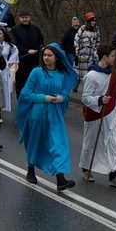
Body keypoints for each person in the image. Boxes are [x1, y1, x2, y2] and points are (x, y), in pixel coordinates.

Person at [15, 43, 78, 190]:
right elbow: (25, 93)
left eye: (49, 55)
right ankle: (31, 170)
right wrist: (44, 98)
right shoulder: (36, 72)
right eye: (44, 55)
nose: (46, 58)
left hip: (55, 114)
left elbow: (65, 94)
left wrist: (60, 99)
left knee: (59, 143)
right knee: (35, 141)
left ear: (57, 57)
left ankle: (60, 178)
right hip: (37, 113)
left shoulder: (62, 75)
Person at [79, 43, 116, 188]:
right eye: (113, 56)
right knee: (91, 143)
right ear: (105, 57)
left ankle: (114, 175)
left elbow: (115, 97)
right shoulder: (91, 76)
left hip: (110, 113)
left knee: (112, 143)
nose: (115, 59)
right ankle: (86, 168)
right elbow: (85, 98)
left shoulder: (113, 74)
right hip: (95, 114)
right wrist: (100, 100)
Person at [11, 10, 44, 97]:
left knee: (34, 82)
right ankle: (21, 100)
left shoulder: (36, 29)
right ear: (19, 19)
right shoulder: (14, 30)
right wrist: (27, 51)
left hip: (34, 61)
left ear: (29, 17)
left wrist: (39, 48)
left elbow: (41, 41)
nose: (25, 19)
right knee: (22, 83)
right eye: (22, 18)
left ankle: (33, 100)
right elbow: (14, 45)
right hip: (21, 61)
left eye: (26, 17)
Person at [74, 12, 101, 89]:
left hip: (92, 55)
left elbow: (98, 41)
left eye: (94, 21)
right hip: (82, 54)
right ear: (88, 22)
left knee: (90, 74)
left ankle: (88, 90)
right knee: (79, 73)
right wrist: (77, 52)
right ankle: (75, 87)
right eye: (92, 21)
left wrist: (96, 50)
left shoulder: (96, 29)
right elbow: (76, 40)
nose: (93, 23)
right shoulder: (82, 29)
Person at [0, 25, 19, 112]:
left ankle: (1, 108)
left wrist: (11, 61)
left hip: (4, 67)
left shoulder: (8, 45)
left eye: (0, 33)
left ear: (4, 35)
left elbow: (15, 51)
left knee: (3, 86)